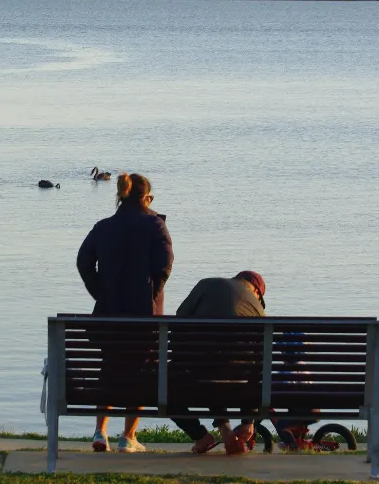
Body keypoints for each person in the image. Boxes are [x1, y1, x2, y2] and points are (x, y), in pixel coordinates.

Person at [77, 172, 174, 453]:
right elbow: (165, 267)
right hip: (145, 316)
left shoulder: (103, 227)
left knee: (108, 369)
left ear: (121, 195)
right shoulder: (155, 225)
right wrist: (150, 296)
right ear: (145, 198)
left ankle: (99, 433)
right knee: (141, 373)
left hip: (109, 313)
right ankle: (128, 437)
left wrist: (101, 292)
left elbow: (84, 262)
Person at [171, 270, 266, 454]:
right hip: (238, 381)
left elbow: (179, 319)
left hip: (199, 376)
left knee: (163, 385)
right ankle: (233, 429)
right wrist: (248, 420)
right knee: (236, 368)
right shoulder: (258, 309)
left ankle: (201, 435)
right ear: (256, 291)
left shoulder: (207, 284)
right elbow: (259, 366)